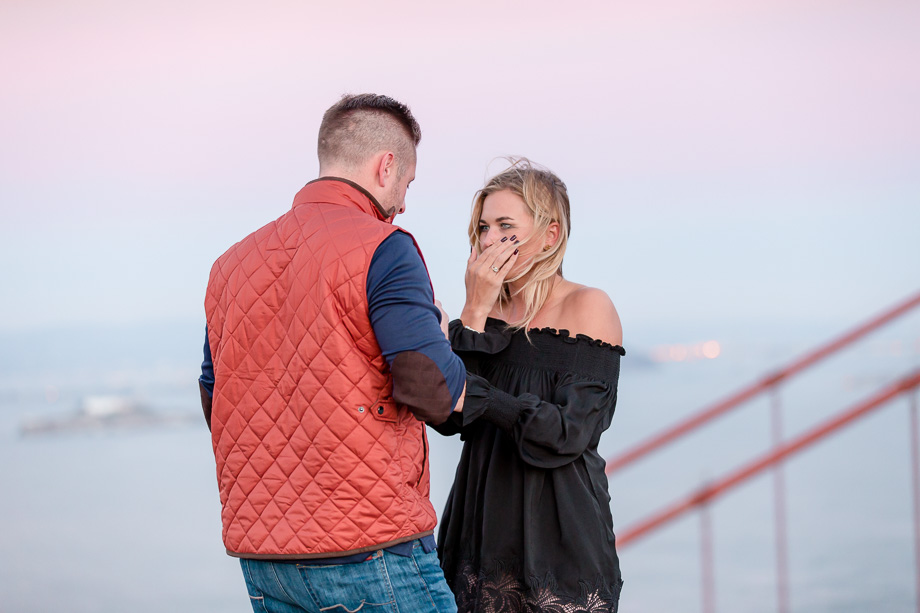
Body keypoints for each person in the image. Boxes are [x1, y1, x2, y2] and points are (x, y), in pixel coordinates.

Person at [199, 93, 465, 613]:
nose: (404, 203)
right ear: (386, 165)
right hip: (371, 547)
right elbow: (434, 390)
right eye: (407, 184)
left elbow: (216, 398)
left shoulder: (229, 266)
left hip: (264, 554)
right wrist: (444, 333)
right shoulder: (384, 246)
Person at [434, 158, 625, 612]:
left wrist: (475, 392)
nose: (489, 241)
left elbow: (566, 434)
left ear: (551, 235)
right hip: (476, 533)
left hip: (560, 542)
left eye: (505, 226)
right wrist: (474, 310)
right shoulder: (483, 315)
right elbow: (449, 417)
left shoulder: (589, 307)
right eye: (483, 228)